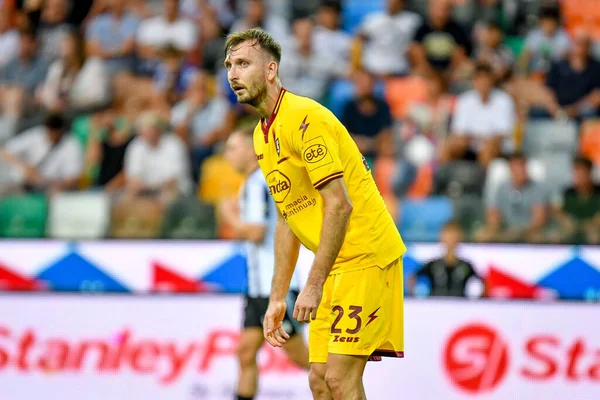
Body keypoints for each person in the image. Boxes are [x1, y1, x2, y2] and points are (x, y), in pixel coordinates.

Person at [224, 28, 406, 400]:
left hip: (365, 255)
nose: (233, 74)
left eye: (243, 63)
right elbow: (286, 217)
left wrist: (313, 283)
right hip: (337, 265)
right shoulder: (261, 136)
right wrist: (278, 297)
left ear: (271, 70)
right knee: (319, 381)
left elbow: (340, 206)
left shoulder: (306, 118)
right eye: (229, 65)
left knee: (339, 378)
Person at [221, 128, 309, 400]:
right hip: (258, 288)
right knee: (245, 352)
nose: (228, 156)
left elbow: (257, 231)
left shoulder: (259, 182)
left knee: (299, 356)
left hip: (276, 286)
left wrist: (229, 217)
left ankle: (342, 387)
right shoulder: (252, 182)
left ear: (251, 150)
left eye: (232, 148)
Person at [411, 221, 483, 298]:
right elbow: (413, 278)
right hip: (436, 306)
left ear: (459, 237)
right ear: (442, 237)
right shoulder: (433, 265)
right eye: (448, 235)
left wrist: (476, 302)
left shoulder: (466, 266)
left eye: (453, 235)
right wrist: (418, 298)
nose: (451, 239)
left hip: (460, 307)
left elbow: (483, 282)